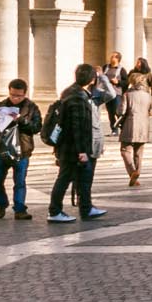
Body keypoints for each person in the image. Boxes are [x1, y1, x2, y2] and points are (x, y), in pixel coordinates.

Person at [45, 62, 108, 223]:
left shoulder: (69, 92)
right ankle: (55, 211)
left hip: (66, 146)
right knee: (65, 179)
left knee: (80, 178)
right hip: (73, 149)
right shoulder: (78, 98)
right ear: (92, 79)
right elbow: (77, 127)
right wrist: (82, 151)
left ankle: (86, 208)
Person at [0, 80, 39, 221]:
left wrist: (21, 120)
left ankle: (20, 209)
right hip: (1, 150)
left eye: (19, 96)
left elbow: (36, 128)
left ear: (25, 94)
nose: (15, 98)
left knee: (19, 181)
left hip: (22, 150)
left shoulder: (31, 108)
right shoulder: (0, 106)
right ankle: (1, 204)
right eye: (12, 95)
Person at [116, 69, 152, 186]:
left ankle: (132, 172)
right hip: (144, 126)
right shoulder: (148, 96)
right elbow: (150, 110)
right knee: (139, 152)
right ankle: (137, 173)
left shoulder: (128, 94)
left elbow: (121, 111)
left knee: (125, 150)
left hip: (130, 124)